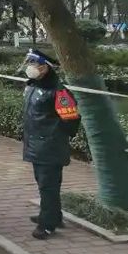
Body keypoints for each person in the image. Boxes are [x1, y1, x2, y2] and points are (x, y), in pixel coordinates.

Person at [22, 49, 80, 240]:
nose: (30, 67)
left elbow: (71, 119)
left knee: (48, 186)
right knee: (45, 185)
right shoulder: (33, 86)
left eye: (34, 63)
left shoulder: (58, 92)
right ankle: (54, 215)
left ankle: (47, 225)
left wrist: (53, 136)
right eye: (29, 62)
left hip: (49, 147)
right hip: (36, 145)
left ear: (45, 68)